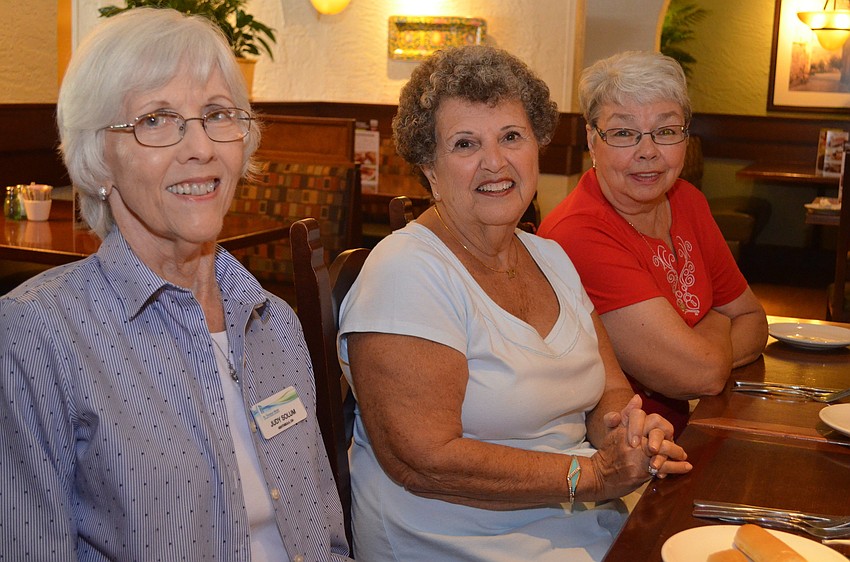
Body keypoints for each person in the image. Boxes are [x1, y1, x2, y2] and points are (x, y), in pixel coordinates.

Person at [0, 8, 351, 561]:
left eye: (217, 114)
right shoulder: (37, 335)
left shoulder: (274, 322)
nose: (201, 147)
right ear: (100, 157)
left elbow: (327, 539)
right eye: (157, 119)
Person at [336, 45, 692, 562]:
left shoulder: (549, 255)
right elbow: (425, 460)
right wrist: (590, 475)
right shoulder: (406, 271)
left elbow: (609, 390)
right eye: (465, 144)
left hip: (580, 523)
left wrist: (628, 432)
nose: (495, 161)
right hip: (460, 540)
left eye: (511, 136)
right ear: (429, 168)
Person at [538, 51, 768, 435]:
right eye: (624, 133)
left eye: (665, 131)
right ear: (593, 141)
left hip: (700, 428)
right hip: (620, 455)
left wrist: (705, 352)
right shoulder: (577, 232)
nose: (648, 152)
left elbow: (754, 320)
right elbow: (699, 374)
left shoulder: (687, 200)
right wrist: (715, 319)